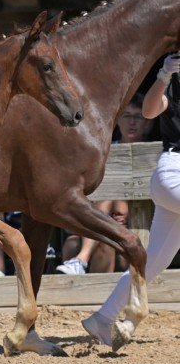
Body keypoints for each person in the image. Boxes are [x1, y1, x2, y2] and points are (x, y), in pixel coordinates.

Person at [82, 52, 180, 347]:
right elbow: (150, 111)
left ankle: (103, 318)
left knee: (151, 264)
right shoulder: (173, 85)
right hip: (173, 171)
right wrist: (163, 76)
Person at [56, 95, 152, 275]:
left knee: (106, 240)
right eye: (127, 116)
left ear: (147, 124)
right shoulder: (104, 151)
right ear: (118, 120)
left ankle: (81, 261)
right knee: (74, 242)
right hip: (101, 221)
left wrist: (127, 215)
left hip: (133, 223)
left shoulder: (151, 153)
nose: (132, 122)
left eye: (138, 117)